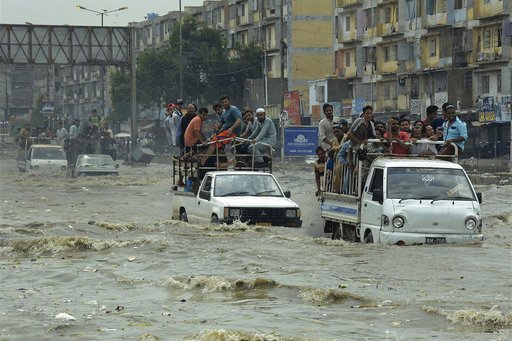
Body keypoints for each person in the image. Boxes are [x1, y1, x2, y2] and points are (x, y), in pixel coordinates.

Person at [200, 94, 242, 165]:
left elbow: (238, 120)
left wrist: (231, 129)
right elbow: (221, 122)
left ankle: (204, 158)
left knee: (214, 141)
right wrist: (217, 125)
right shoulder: (224, 112)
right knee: (210, 142)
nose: (225, 103)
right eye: (223, 102)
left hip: (233, 132)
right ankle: (205, 158)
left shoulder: (233, 109)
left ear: (229, 101)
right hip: (224, 132)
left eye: (226, 102)